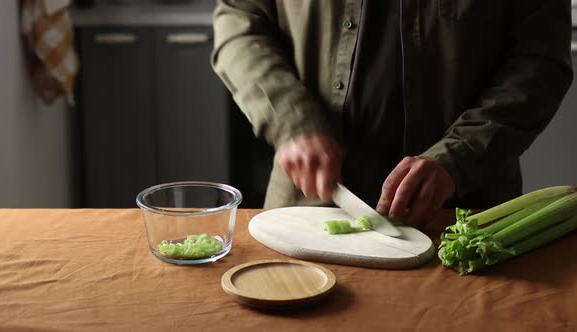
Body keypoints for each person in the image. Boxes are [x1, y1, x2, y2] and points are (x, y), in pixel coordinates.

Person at [211, 0, 573, 225]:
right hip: (305, 214)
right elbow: (240, 19)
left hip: (461, 218)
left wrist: (459, 156)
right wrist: (290, 119)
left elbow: (540, 60)